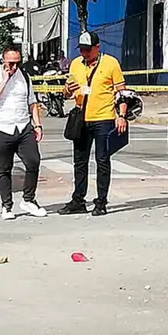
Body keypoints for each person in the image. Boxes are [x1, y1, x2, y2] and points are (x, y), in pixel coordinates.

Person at [58, 31, 127, 217]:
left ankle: (101, 202)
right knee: (79, 162)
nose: (84, 54)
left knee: (102, 161)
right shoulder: (75, 64)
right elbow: (67, 93)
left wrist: (121, 116)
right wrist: (66, 91)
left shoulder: (111, 63)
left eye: (88, 50)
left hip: (104, 118)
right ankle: (78, 200)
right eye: (81, 49)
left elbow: (122, 93)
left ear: (97, 48)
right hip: (81, 118)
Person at [0, 44, 47, 221]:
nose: (14, 67)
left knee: (33, 161)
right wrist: (4, 80)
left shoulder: (24, 76)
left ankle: (29, 199)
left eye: (17, 62)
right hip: (2, 128)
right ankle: (6, 205)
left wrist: (38, 125)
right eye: (11, 63)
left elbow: (32, 103)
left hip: (23, 126)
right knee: (5, 168)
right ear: (3, 60)